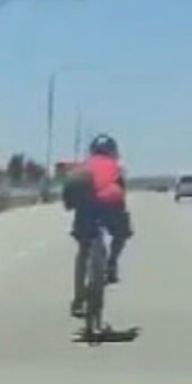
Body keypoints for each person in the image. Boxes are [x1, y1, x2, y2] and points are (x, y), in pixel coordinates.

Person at [63, 134, 133, 318]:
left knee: (83, 249)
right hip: (111, 203)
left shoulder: (84, 165)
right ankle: (111, 263)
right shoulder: (116, 166)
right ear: (113, 151)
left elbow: (72, 189)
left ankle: (78, 298)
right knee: (121, 233)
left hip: (86, 206)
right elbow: (121, 193)